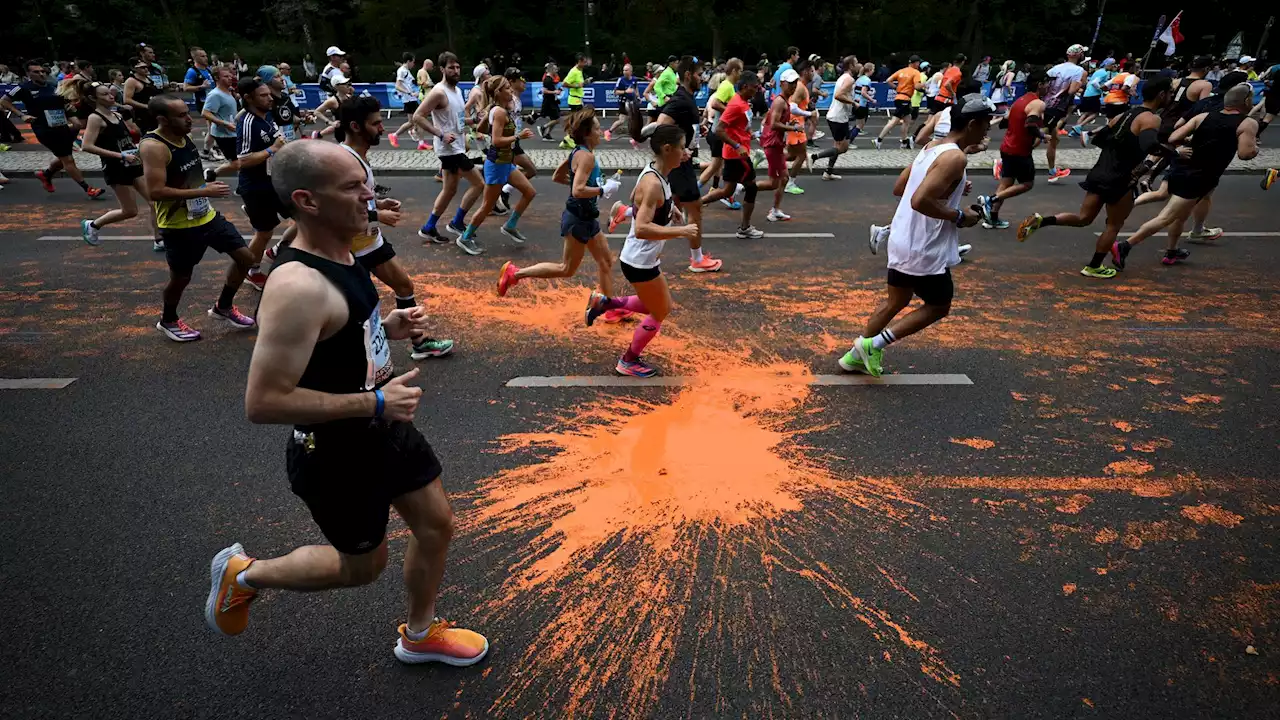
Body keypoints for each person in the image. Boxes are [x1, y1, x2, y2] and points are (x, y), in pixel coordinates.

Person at [207, 140, 486, 666]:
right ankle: (244, 573)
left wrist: (384, 327)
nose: (370, 197)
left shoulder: (345, 247)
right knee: (362, 568)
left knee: (436, 525)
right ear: (308, 201)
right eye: (354, 188)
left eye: (367, 182)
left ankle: (420, 634)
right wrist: (375, 404)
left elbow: (338, 337)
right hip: (335, 452)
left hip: (383, 425)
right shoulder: (297, 287)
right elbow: (263, 402)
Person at [839, 94, 993, 377]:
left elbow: (901, 187)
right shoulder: (954, 158)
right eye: (987, 124)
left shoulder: (933, 147)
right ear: (972, 124)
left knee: (895, 302)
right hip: (923, 246)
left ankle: (855, 357)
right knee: (938, 306)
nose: (989, 129)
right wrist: (959, 216)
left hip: (901, 238)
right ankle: (873, 345)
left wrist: (951, 184)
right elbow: (919, 199)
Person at [332, 96, 456, 360]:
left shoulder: (360, 157)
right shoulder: (344, 161)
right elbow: (338, 207)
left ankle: (419, 343)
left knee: (403, 285)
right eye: (376, 124)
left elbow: (358, 198)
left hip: (370, 241)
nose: (382, 129)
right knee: (360, 307)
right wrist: (377, 214)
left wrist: (378, 202)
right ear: (355, 126)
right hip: (348, 248)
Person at [1016, 79, 1173, 277]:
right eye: (1170, 93)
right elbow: (1150, 144)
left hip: (1101, 171)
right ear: (1161, 94)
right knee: (1114, 225)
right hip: (1121, 177)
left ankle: (1042, 221)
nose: (1171, 97)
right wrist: (1172, 153)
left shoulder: (1124, 114)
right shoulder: (1151, 118)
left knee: (1084, 218)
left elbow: (1099, 138)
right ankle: (1094, 266)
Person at [139, 94, 256, 341]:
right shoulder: (154, 147)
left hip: (207, 216)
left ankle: (223, 306)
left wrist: (208, 182)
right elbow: (155, 192)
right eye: (181, 116)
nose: (189, 119)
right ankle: (168, 319)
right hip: (178, 226)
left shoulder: (185, 136)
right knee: (181, 278)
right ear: (162, 119)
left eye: (187, 113)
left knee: (246, 258)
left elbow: (188, 174)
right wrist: (204, 191)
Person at [583, 125, 694, 378]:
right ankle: (628, 360)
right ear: (667, 149)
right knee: (660, 309)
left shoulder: (657, 172)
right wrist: (681, 231)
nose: (686, 152)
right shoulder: (654, 182)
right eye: (682, 146)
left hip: (641, 259)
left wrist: (668, 211)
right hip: (640, 261)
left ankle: (606, 303)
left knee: (650, 303)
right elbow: (643, 228)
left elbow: (636, 197)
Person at [1111, 84, 1260, 269]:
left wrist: (1184, 145)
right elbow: (1245, 154)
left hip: (1181, 168)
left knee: (1180, 217)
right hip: (1198, 177)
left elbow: (1173, 137)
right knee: (1167, 217)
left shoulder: (1203, 117)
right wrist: (1255, 149)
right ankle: (1125, 245)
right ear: (1246, 101)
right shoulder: (1247, 123)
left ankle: (1172, 252)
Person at [497, 107, 622, 306]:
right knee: (566, 269)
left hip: (587, 217)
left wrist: (594, 187)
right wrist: (601, 190)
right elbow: (578, 191)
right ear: (587, 133)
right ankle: (515, 273)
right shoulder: (586, 157)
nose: (600, 132)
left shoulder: (578, 152)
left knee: (605, 262)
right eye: (597, 129)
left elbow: (558, 176)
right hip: (578, 219)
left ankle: (608, 306)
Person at [453, 75, 538, 252]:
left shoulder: (496, 109)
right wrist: (518, 136)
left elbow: (482, 129)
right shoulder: (499, 112)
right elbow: (497, 140)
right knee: (486, 206)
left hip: (506, 163)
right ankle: (465, 237)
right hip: (497, 164)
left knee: (529, 192)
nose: (511, 90)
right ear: (499, 92)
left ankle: (510, 225)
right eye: (507, 88)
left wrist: (488, 122)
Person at [1, 60, 104, 198]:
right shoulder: (23, 88)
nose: (41, 74)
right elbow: (3, 101)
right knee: (68, 159)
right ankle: (88, 189)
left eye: (43, 71)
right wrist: (22, 115)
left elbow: (64, 103)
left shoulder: (53, 86)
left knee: (64, 156)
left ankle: (46, 174)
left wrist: (73, 117)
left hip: (62, 125)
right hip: (44, 128)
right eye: (36, 72)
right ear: (28, 74)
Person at [414, 53, 485, 251]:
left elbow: (458, 122)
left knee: (449, 190)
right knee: (479, 184)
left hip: (457, 146)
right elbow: (418, 116)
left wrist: (475, 121)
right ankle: (457, 222)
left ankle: (429, 227)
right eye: (451, 67)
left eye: (457, 67)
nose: (455, 71)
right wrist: (440, 134)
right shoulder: (439, 92)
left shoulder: (457, 91)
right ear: (442, 69)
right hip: (450, 149)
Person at [78, 81, 160, 247]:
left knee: (155, 202)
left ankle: (159, 240)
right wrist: (120, 156)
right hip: (116, 168)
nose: (110, 96)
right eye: (104, 94)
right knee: (130, 211)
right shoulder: (95, 118)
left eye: (110, 92)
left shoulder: (117, 115)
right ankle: (93, 225)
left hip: (133, 164)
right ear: (93, 99)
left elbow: (127, 140)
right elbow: (86, 146)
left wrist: (137, 149)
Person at [976, 71, 1051, 231]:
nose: (1048, 87)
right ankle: (990, 200)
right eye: (1046, 83)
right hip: (1020, 151)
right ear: (1040, 85)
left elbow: (1005, 122)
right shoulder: (1037, 103)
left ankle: (992, 219)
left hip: (1007, 147)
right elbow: (1030, 124)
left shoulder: (1020, 101)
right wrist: (1042, 135)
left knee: (1006, 183)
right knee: (1027, 184)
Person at [697, 73, 767, 239]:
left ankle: (695, 204)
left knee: (727, 190)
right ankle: (745, 227)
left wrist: (751, 135)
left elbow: (739, 126)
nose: (756, 90)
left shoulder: (743, 103)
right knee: (751, 188)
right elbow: (719, 129)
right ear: (744, 87)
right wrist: (737, 145)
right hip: (737, 156)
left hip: (736, 153)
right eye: (754, 87)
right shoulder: (735, 104)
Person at [698, 58, 744, 205]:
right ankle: (692, 192)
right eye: (740, 71)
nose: (741, 74)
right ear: (735, 71)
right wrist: (732, 112)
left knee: (720, 165)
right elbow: (715, 103)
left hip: (718, 132)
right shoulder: (727, 85)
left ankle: (726, 194)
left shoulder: (729, 86)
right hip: (718, 133)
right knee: (715, 167)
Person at [1042, 44, 1088, 183]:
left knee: (1054, 139)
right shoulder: (1078, 71)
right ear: (1079, 55)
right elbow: (1072, 91)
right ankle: (1005, 162)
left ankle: (1052, 171)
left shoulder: (1055, 68)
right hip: (1056, 107)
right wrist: (1081, 84)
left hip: (1046, 103)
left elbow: (1044, 86)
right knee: (1037, 137)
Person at [811, 56, 861, 180]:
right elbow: (839, 95)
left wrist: (851, 100)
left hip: (836, 115)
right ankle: (813, 157)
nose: (858, 65)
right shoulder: (849, 80)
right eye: (856, 63)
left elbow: (842, 94)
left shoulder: (843, 78)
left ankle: (828, 172)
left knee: (837, 146)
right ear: (850, 66)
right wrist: (853, 103)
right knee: (843, 148)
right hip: (838, 117)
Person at [875, 56, 924, 149]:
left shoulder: (901, 71)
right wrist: (925, 85)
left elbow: (888, 80)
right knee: (894, 121)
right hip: (905, 99)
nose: (919, 65)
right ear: (915, 63)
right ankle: (879, 139)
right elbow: (917, 87)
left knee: (907, 120)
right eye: (918, 63)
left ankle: (904, 142)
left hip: (899, 97)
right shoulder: (915, 72)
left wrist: (896, 88)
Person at [783, 61, 813, 195]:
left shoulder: (802, 87)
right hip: (796, 125)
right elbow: (792, 107)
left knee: (791, 155)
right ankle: (790, 183)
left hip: (796, 125)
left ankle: (766, 157)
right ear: (805, 71)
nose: (814, 73)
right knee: (801, 156)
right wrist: (809, 113)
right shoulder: (800, 87)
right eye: (812, 71)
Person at [203, 66, 241, 166]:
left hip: (232, 131)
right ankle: (213, 174)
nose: (230, 78)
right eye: (226, 76)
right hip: (224, 134)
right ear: (217, 78)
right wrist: (224, 123)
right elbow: (205, 113)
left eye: (230, 76)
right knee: (235, 162)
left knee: (237, 160)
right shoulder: (215, 94)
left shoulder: (228, 91)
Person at [1072, 57, 1115, 135]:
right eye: (1112, 64)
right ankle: (1079, 126)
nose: (1114, 66)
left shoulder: (1098, 71)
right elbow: (1094, 82)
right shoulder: (1104, 73)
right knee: (1095, 113)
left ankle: (1074, 130)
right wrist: (1101, 89)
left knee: (1086, 113)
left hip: (1087, 94)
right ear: (1108, 65)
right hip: (1093, 95)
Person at [387, 53, 421, 148]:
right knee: (415, 120)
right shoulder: (402, 71)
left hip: (412, 99)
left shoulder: (405, 71)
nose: (413, 64)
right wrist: (409, 93)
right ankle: (395, 135)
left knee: (416, 119)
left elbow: (408, 84)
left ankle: (413, 133)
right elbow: (397, 86)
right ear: (408, 61)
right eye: (413, 62)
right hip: (409, 99)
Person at [310, 73, 355, 138]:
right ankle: (318, 134)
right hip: (342, 133)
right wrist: (330, 123)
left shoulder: (349, 97)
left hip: (351, 130)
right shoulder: (332, 101)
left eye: (348, 84)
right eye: (345, 84)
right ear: (337, 87)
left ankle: (318, 134)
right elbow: (317, 112)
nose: (348, 86)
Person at [123, 60, 162, 134]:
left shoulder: (148, 79)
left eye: (146, 67)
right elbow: (127, 100)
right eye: (142, 67)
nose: (146, 69)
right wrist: (145, 106)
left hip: (153, 113)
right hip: (141, 115)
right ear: (135, 69)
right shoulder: (131, 81)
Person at [606, 63, 639, 141]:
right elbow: (615, 92)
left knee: (633, 119)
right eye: (623, 70)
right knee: (621, 120)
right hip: (623, 102)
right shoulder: (621, 80)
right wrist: (625, 91)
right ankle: (608, 132)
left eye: (626, 70)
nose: (624, 72)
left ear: (631, 71)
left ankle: (633, 136)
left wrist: (638, 97)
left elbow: (635, 89)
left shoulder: (634, 79)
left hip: (631, 102)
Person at [562, 55, 589, 149]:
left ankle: (568, 139)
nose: (585, 64)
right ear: (579, 61)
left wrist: (584, 82)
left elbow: (580, 84)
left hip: (578, 99)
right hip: (574, 100)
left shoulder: (579, 71)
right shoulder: (573, 71)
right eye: (584, 62)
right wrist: (577, 85)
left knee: (576, 121)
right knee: (577, 121)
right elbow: (564, 83)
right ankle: (569, 138)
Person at [536, 62, 561, 141]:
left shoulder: (551, 79)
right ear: (551, 70)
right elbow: (544, 91)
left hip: (552, 100)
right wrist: (555, 92)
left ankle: (547, 134)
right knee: (557, 119)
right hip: (549, 101)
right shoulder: (547, 79)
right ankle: (543, 127)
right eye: (555, 69)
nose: (556, 71)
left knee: (554, 118)